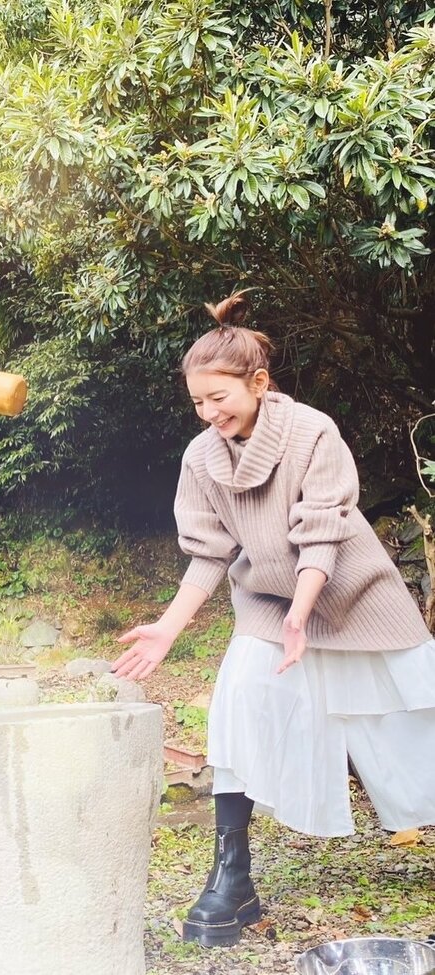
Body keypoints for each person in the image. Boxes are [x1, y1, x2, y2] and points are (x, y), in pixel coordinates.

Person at [113, 292, 435, 948]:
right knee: (239, 706)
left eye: (219, 397)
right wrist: (168, 627)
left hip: (349, 593)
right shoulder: (202, 458)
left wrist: (307, 611)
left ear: (258, 382)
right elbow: (209, 553)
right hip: (268, 603)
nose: (208, 413)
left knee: (414, 711)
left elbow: (323, 531)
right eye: (198, 402)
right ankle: (233, 879)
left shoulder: (311, 431)